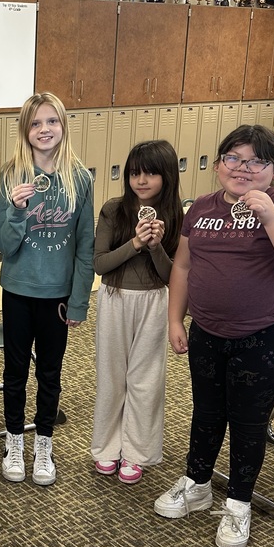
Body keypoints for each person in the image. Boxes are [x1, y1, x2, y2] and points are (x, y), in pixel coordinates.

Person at [155, 124, 274, 547]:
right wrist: (177, 320)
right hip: (208, 331)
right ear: (218, 165)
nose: (243, 168)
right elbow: (184, 267)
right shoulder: (202, 208)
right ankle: (195, 482)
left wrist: (269, 216)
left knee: (248, 422)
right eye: (233, 158)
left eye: (256, 161)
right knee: (207, 411)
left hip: (266, 334)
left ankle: (238, 503)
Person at [0, 92, 95, 487]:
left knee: (50, 373)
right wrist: (18, 211)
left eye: (51, 121)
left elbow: (85, 245)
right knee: (15, 371)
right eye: (36, 123)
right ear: (25, 130)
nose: (44, 130)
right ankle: (14, 440)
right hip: (19, 290)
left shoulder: (80, 178)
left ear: (63, 126)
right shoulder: (11, 176)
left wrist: (80, 300)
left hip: (58, 294)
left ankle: (45, 443)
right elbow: (6, 245)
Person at [91, 141, 183, 485]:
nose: (140, 180)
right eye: (134, 173)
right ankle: (106, 447)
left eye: (150, 173)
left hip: (154, 301)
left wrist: (157, 246)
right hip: (114, 299)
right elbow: (100, 264)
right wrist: (135, 243)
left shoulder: (174, 216)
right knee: (112, 375)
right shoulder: (114, 210)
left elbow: (171, 275)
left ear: (167, 176)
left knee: (146, 380)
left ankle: (136, 452)